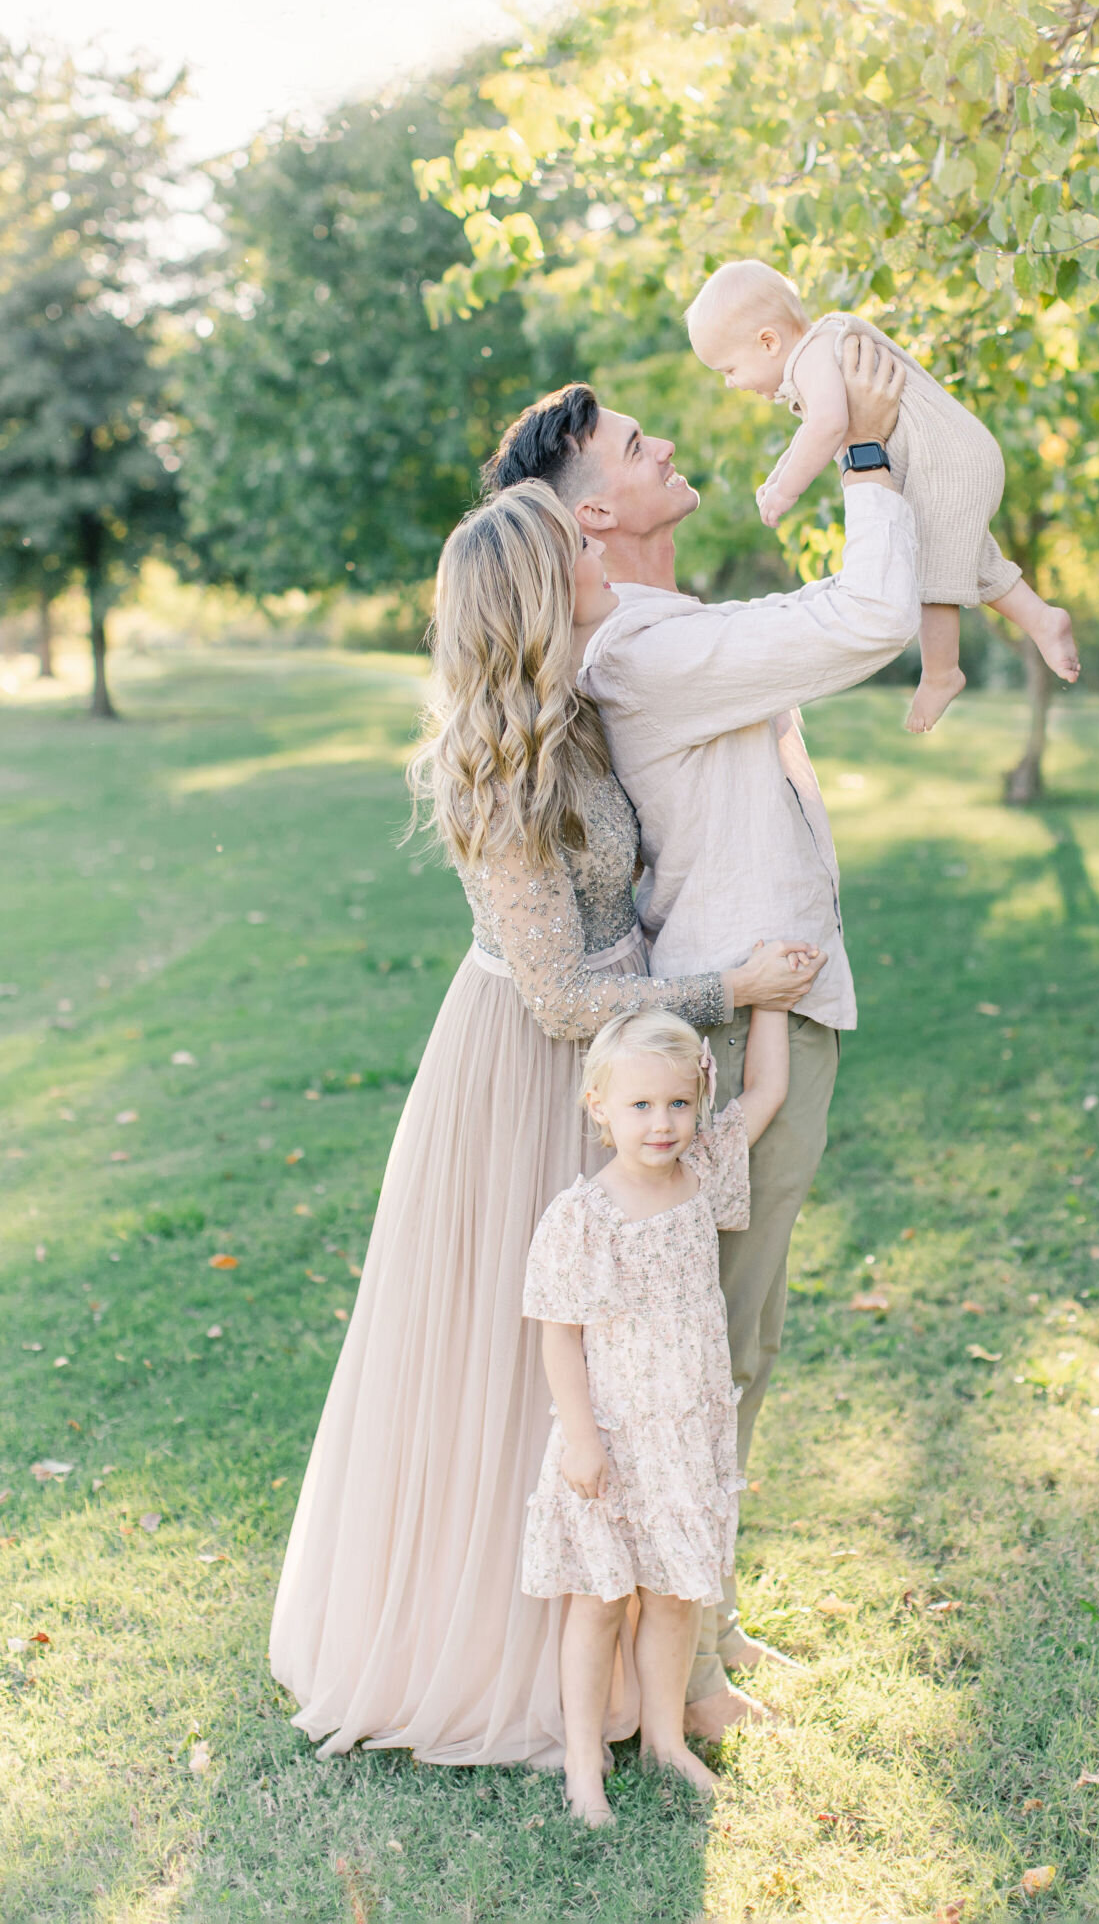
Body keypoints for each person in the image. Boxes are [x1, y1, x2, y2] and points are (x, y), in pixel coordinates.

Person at [269, 481, 823, 1769]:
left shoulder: (574, 710)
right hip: (529, 1060)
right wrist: (726, 989)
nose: (596, 543)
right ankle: (504, 1654)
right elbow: (562, 991)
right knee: (530, 1361)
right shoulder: (491, 764)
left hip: (610, 1059)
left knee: (626, 1349)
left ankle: (644, 1632)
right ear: (536, 590)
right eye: (575, 542)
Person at [482, 335, 916, 1736]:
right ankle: (687, 1672)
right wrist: (856, 447)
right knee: (706, 1356)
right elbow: (867, 618)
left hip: (760, 1000)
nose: (668, 446)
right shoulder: (649, 647)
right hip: (737, 1016)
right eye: (634, 450)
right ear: (587, 515)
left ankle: (702, 1628)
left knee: (739, 1344)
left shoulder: (666, 631)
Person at [522, 1005, 789, 1825]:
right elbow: (559, 1339)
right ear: (598, 1106)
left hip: (685, 1433)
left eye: (677, 1103)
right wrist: (582, 1439)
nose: (663, 1124)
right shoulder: (584, 1215)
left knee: (675, 1596)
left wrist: (771, 1005)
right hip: (611, 1434)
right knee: (600, 1598)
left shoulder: (701, 1171)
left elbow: (768, 1090)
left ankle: (666, 1741)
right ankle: (581, 1760)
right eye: (639, 1106)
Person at [685, 257, 1081, 734]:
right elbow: (816, 427)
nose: (730, 383)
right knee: (966, 558)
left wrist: (787, 489)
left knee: (931, 569)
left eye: (729, 369)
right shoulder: (819, 353)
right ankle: (1041, 619)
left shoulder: (815, 354)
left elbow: (830, 426)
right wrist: (777, 473)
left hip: (948, 458)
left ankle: (941, 673)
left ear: (768, 342)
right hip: (952, 458)